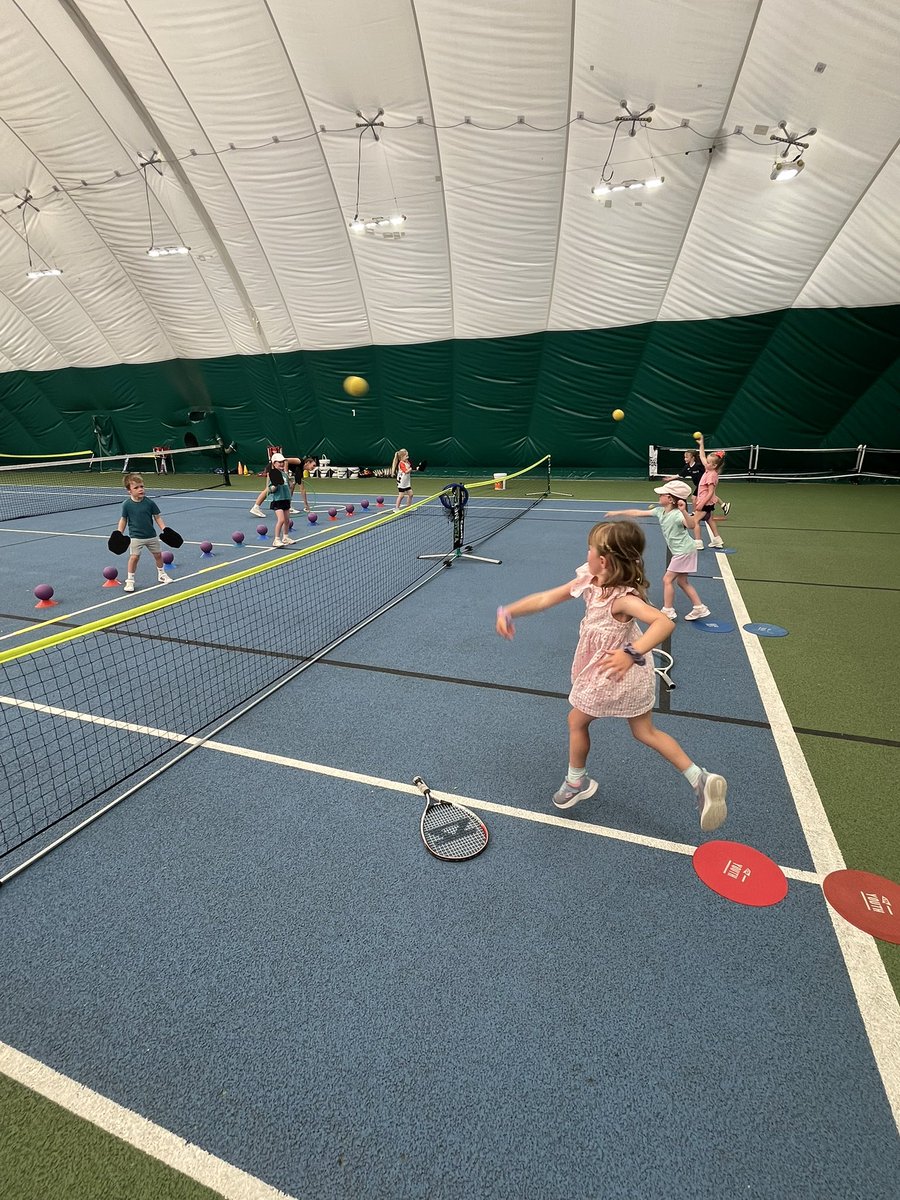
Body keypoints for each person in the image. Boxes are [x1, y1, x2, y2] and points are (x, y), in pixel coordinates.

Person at [495, 519, 728, 830]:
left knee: (576, 720)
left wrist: (630, 654)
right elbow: (546, 598)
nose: (587, 553)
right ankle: (698, 777)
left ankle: (576, 783)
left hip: (611, 673)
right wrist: (510, 611)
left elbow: (664, 623)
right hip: (631, 676)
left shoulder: (621, 598)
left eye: (590, 548)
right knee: (645, 732)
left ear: (603, 560)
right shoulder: (590, 581)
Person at [605, 480, 710, 621]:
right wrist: (617, 513)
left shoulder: (678, 515)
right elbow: (637, 512)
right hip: (683, 551)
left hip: (684, 551)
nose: (659, 496)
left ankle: (668, 610)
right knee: (682, 582)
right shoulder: (660, 511)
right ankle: (699, 607)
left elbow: (691, 525)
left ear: (671, 499)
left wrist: (684, 510)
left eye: (662, 494)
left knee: (667, 579)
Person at [118, 473, 174, 594]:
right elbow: (123, 520)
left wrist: (165, 529)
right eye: (136, 488)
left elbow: (157, 517)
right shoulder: (126, 505)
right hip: (135, 537)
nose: (140, 489)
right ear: (129, 491)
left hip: (151, 536)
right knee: (134, 557)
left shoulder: (150, 503)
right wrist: (119, 533)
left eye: (142, 486)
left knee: (158, 555)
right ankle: (130, 580)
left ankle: (162, 574)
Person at [250, 454, 314, 517]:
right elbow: (285, 460)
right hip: (273, 466)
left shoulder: (300, 471)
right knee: (270, 488)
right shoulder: (299, 461)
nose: (314, 467)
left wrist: (306, 505)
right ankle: (256, 507)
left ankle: (288, 506)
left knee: (291, 486)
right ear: (308, 462)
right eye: (313, 465)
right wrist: (286, 474)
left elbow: (302, 489)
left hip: (279, 469)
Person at [694, 435, 726, 549]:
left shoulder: (711, 475)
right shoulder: (709, 469)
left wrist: (701, 503)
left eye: (708, 462)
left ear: (714, 465)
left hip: (706, 502)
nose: (705, 463)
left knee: (695, 521)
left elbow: (711, 492)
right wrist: (701, 444)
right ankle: (717, 540)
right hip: (709, 503)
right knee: (709, 519)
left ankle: (698, 543)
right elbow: (702, 456)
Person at [265, 453, 295, 548]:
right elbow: (270, 489)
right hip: (277, 500)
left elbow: (288, 486)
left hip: (286, 499)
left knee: (287, 520)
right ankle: (276, 539)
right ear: (274, 463)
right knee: (281, 520)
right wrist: (275, 485)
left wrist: (292, 482)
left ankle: (285, 538)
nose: (281, 464)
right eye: (279, 462)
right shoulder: (272, 474)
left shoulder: (284, 474)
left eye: (282, 462)